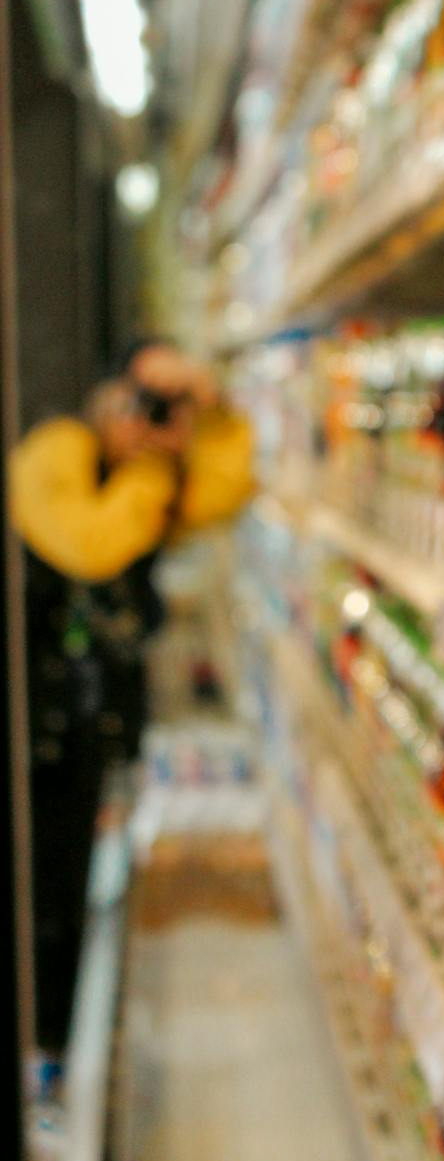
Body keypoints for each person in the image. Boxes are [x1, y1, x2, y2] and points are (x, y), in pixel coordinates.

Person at [8, 341, 255, 1052]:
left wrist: (213, 407)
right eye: (142, 400)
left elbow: (228, 490)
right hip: (38, 725)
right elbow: (91, 544)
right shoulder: (57, 450)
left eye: (165, 407)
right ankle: (44, 1042)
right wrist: (151, 465)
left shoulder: (147, 476)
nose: (147, 420)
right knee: (43, 891)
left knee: (80, 884)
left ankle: (61, 1033)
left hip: (91, 721)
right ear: (105, 393)